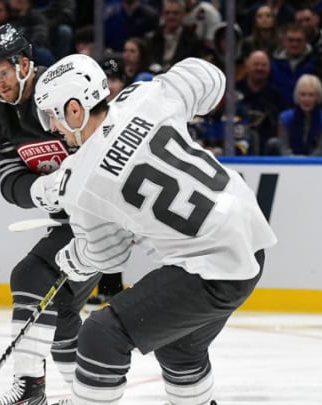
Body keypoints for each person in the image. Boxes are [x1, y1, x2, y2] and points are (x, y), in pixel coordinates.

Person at [32, 54, 277, 404]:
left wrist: (72, 258)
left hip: (213, 268)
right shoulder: (145, 96)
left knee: (101, 337)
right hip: (251, 240)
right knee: (180, 347)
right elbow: (206, 75)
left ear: (75, 109)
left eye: (52, 115)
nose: (52, 127)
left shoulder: (80, 181)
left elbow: (107, 254)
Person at [0, 23, 101, 404]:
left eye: (2, 73)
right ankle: (90, 394)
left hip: (98, 216)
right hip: (68, 223)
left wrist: (75, 183)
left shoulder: (62, 91)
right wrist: (39, 190)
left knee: (29, 274)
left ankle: (29, 388)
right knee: (59, 316)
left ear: (24, 63)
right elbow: (11, 180)